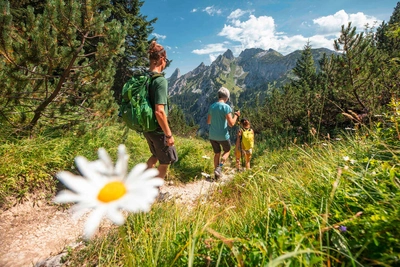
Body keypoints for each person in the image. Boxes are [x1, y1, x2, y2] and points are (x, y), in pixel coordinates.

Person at [144, 41, 178, 189]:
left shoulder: (145, 78)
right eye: (166, 60)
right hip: (158, 130)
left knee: (155, 156)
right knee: (165, 161)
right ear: (162, 59)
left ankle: (141, 184)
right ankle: (153, 193)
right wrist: (169, 135)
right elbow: (159, 111)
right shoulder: (160, 81)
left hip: (147, 127)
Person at [207, 87, 240, 180]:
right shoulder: (226, 107)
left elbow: (208, 121)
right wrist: (236, 116)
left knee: (217, 153)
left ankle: (216, 175)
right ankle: (219, 167)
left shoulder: (212, 106)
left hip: (212, 135)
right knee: (227, 150)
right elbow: (231, 124)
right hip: (223, 135)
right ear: (226, 98)